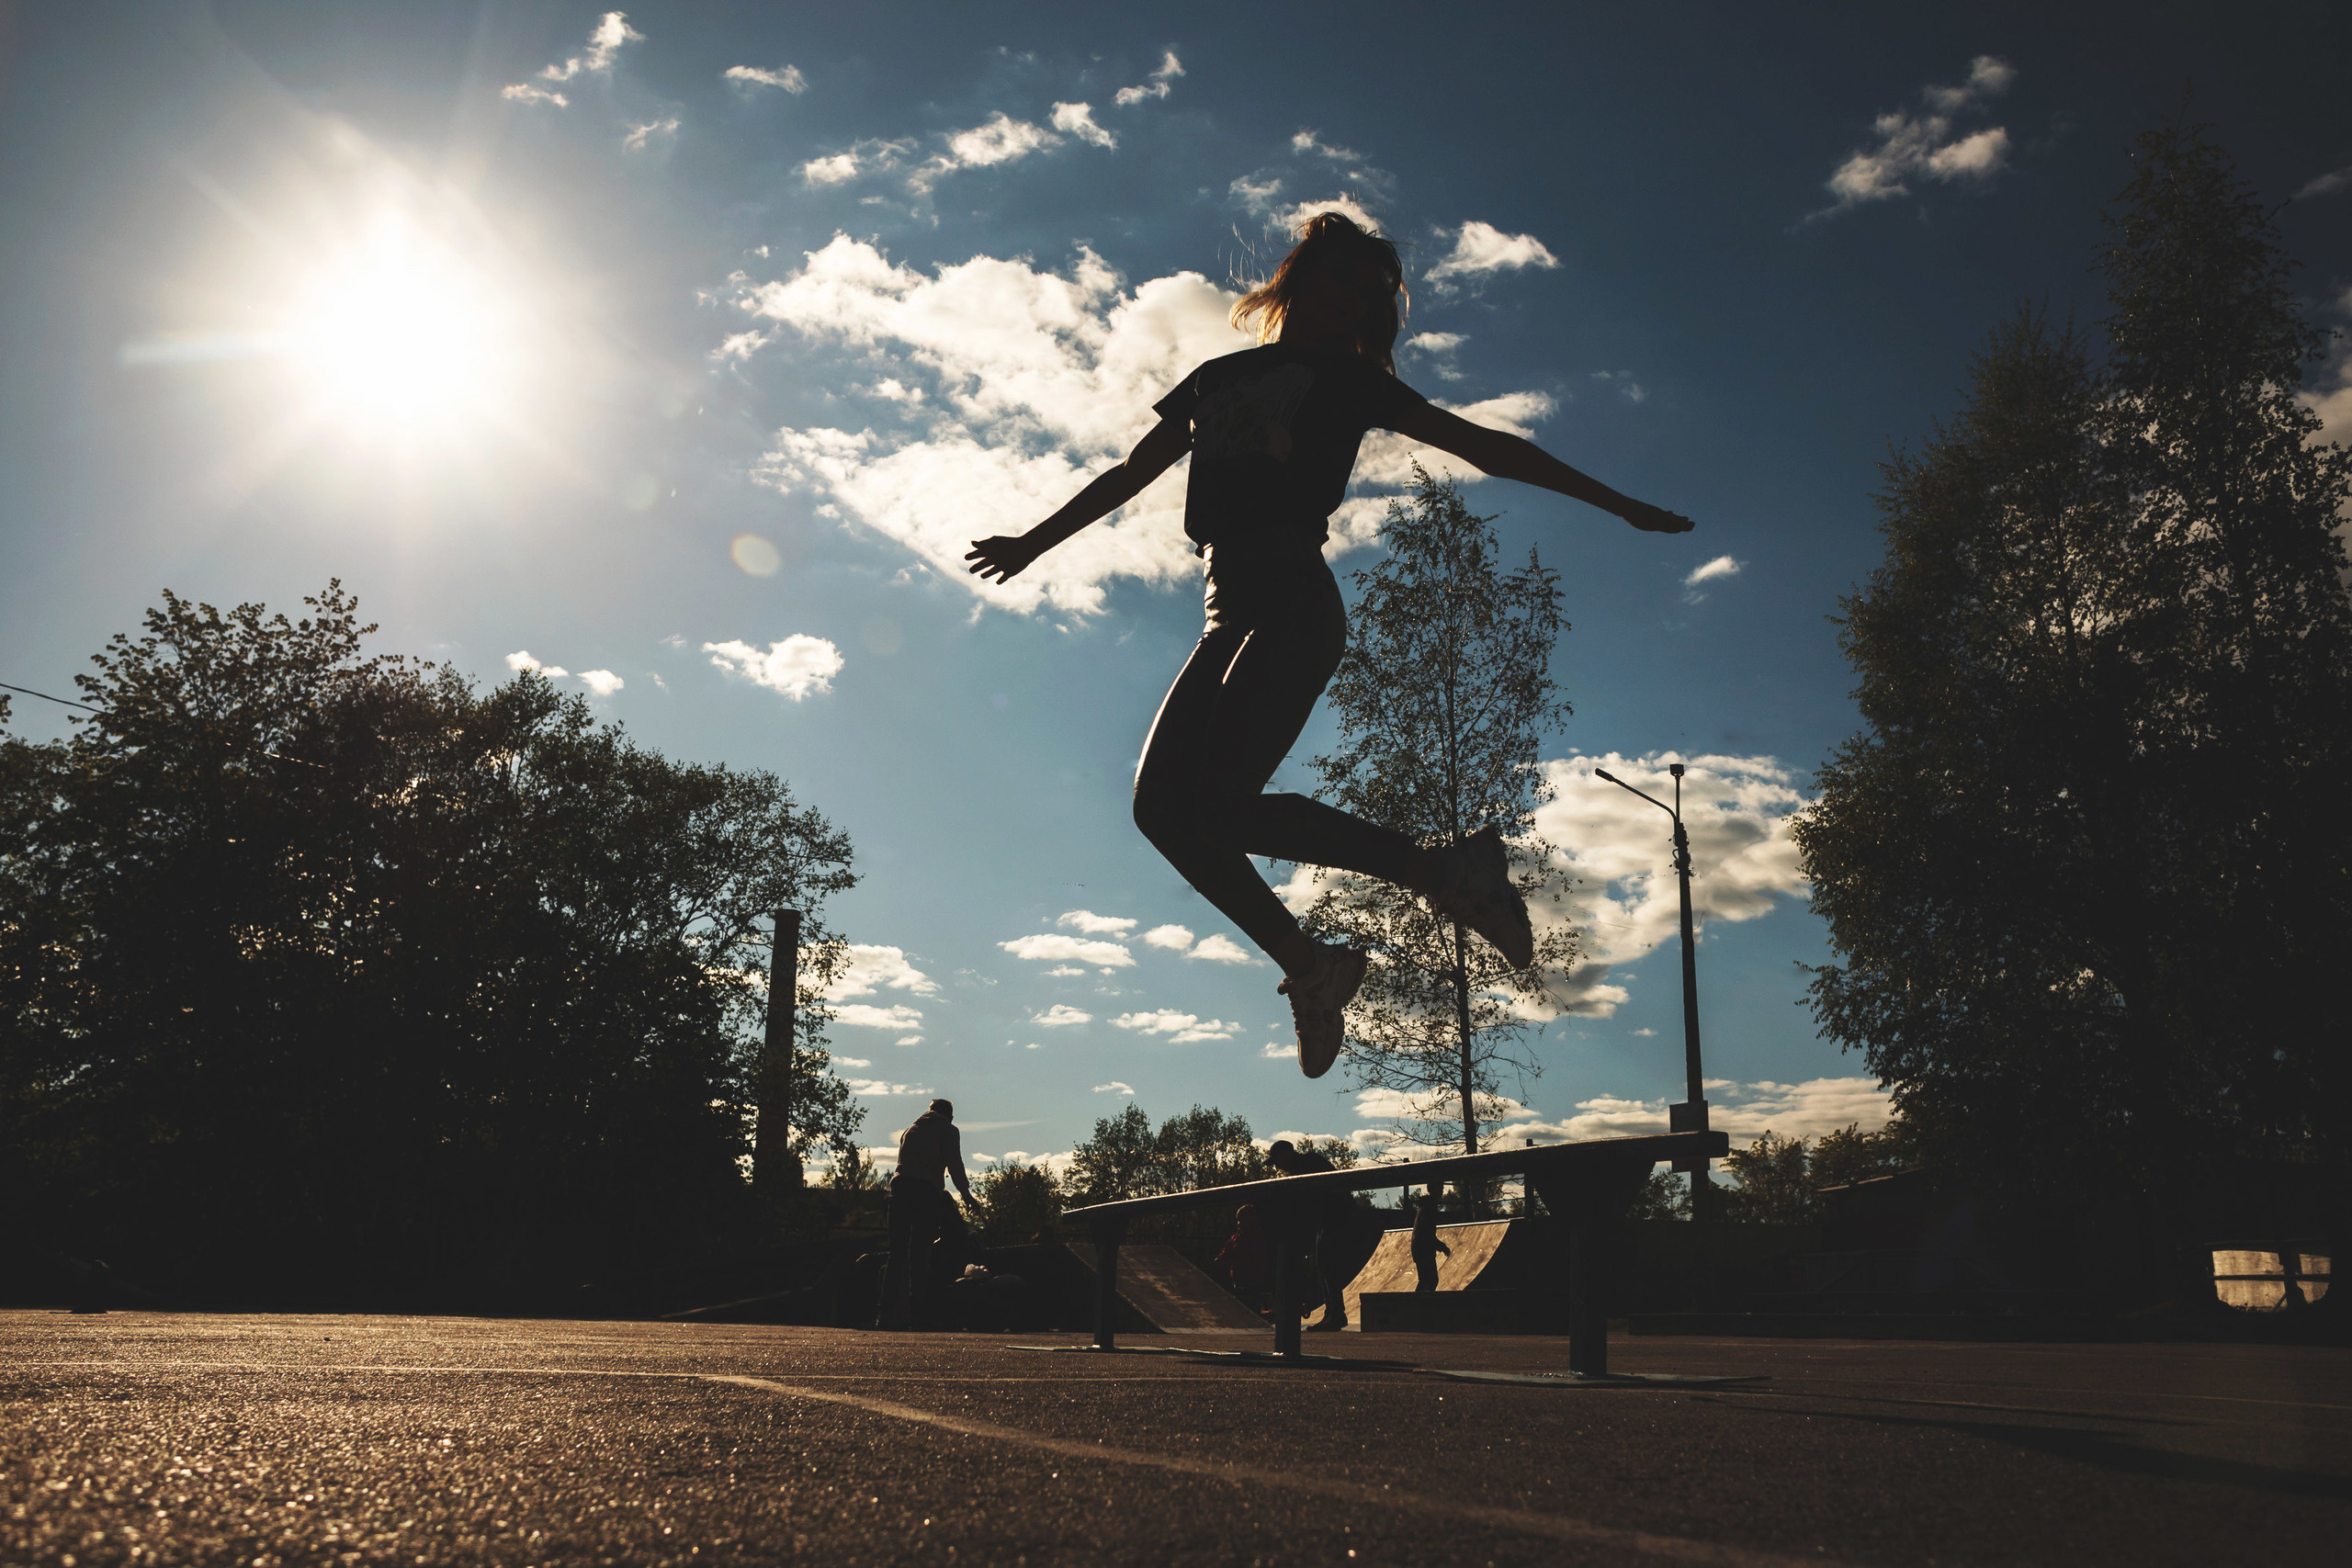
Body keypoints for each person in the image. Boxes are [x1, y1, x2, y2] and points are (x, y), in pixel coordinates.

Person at [967, 212, 1694, 1077]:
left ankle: (1444, 872)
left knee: (1219, 806)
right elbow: (1131, 473)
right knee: (1162, 810)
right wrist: (1032, 543)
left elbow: (1485, 448)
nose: (1354, 301)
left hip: (1291, 599)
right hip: (1226, 607)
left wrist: (1618, 503)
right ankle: (1315, 966)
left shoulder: (1351, 382)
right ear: (1300, 279)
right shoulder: (1218, 377)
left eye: (1370, 294)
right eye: (1343, 280)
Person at [884, 1099, 973, 1329]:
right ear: (950, 1116)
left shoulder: (910, 1130)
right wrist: (967, 1196)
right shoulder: (948, 1130)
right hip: (924, 1192)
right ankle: (917, 1314)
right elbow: (955, 1165)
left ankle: (886, 1315)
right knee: (920, 1253)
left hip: (899, 1189)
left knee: (897, 1254)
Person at [1265, 1138, 1355, 1331]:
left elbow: (1313, 1199)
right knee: (1323, 1264)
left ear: (1286, 1155)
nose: (1278, 1167)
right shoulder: (1298, 1169)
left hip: (1337, 1215)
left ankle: (1336, 1314)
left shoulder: (1309, 1162)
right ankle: (1333, 1313)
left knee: (1327, 1263)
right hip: (1326, 1219)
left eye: (1277, 1162)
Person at [1214, 1202, 1273, 1311]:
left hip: (1251, 1284)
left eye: (1241, 1220)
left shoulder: (1249, 1239)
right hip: (1244, 1283)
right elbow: (1225, 1255)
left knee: (1248, 1307)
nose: (1239, 1223)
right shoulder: (1239, 1238)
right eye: (1238, 1220)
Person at [1408, 1190, 1452, 1293]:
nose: (1441, 1192)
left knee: (1425, 1280)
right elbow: (1427, 1232)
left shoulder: (1424, 1205)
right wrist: (1442, 1246)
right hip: (1424, 1249)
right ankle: (1418, 1302)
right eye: (1439, 1189)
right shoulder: (1429, 1206)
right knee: (1431, 1280)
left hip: (1419, 1247)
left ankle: (1416, 1301)